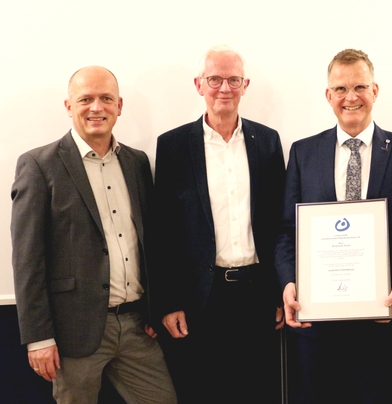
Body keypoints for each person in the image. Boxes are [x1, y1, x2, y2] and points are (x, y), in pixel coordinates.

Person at [274, 48, 392, 404]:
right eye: (341, 89)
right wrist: (288, 282)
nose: (351, 97)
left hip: (382, 320)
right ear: (328, 95)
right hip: (317, 322)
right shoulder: (303, 153)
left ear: (375, 91)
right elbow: (287, 231)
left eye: (360, 87)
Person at [10, 66, 177, 403]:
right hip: (75, 332)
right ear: (69, 106)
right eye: (86, 99)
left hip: (134, 326)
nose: (96, 108)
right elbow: (28, 259)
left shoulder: (137, 162)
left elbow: (151, 243)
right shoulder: (39, 166)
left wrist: (154, 307)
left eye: (106, 99)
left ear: (120, 105)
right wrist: (38, 338)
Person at [152, 44, 286, 404]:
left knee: (258, 391)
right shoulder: (173, 146)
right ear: (199, 84)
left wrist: (279, 291)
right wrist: (168, 302)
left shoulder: (268, 142)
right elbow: (163, 231)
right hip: (201, 300)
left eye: (233, 80)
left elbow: (278, 223)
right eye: (215, 79)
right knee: (204, 391)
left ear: (245, 85)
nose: (224, 88)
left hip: (257, 294)